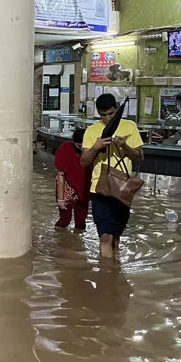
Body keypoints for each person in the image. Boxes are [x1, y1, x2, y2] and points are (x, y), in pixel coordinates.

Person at [81, 94, 143, 258]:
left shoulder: (130, 126)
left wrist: (124, 146)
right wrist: (96, 147)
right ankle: (105, 277)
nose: (108, 118)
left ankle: (113, 271)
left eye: (111, 113)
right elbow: (84, 162)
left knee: (115, 236)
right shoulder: (91, 131)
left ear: (117, 109)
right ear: (98, 114)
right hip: (99, 189)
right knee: (105, 236)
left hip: (122, 189)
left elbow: (139, 156)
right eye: (104, 115)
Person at [54, 129, 90, 230]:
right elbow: (60, 176)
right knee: (65, 219)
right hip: (67, 187)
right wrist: (61, 199)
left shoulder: (92, 151)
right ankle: (59, 238)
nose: (82, 147)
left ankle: (78, 242)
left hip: (84, 188)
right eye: (79, 145)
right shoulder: (65, 149)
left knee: (81, 221)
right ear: (74, 142)